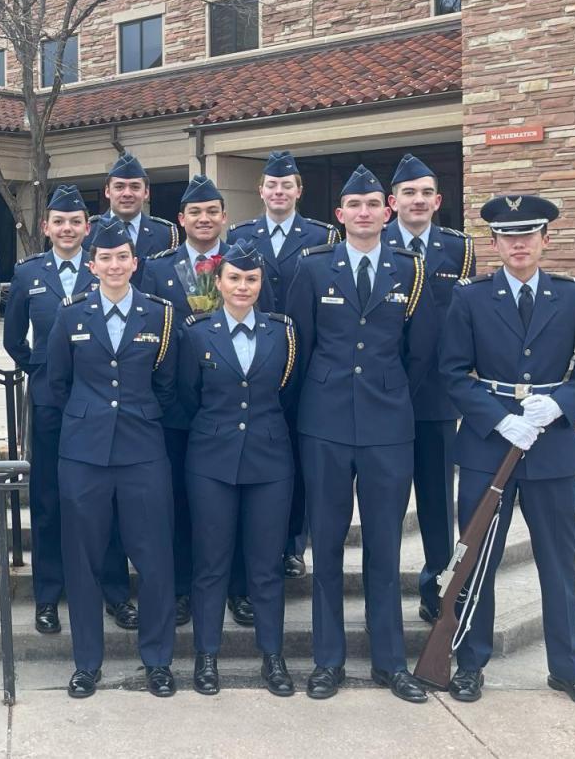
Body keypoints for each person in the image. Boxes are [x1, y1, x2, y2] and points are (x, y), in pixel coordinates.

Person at [440, 194, 575, 710]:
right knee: (478, 560)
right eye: (507, 236)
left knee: (558, 563)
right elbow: (451, 372)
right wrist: (501, 418)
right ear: (493, 242)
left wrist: (558, 407)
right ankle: (470, 663)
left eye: (528, 234)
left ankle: (568, 670)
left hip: (552, 448)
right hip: (488, 448)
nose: (518, 243)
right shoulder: (470, 297)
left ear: (545, 239)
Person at [286, 164, 436, 704]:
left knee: (383, 547)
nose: (366, 212)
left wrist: (388, 391)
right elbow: (297, 348)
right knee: (326, 546)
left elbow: (419, 353)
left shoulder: (409, 269)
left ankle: (390, 663)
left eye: (375, 204)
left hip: (387, 425)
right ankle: (329, 661)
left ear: (387, 210)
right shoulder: (312, 267)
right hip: (323, 424)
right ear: (340, 215)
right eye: (356, 205)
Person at [46, 217, 180, 699]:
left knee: (154, 558)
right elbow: (57, 382)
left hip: (143, 451)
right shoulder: (70, 315)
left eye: (123, 256)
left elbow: (169, 382)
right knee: (82, 562)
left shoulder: (159, 315)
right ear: (92, 263)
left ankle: (158, 661)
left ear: (134, 262)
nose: (115, 265)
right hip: (83, 454)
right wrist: (90, 418)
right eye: (105, 258)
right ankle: (87, 664)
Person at [3, 185, 137, 636]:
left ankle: (115, 590)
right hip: (49, 406)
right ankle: (48, 595)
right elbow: (12, 339)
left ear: (87, 227)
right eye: (58, 222)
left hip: (100, 403)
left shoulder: (105, 267)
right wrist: (40, 369)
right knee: (47, 501)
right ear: (46, 227)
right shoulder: (28, 274)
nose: (66, 229)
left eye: (75, 222)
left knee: (110, 500)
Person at [177, 238, 298, 697]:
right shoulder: (195, 332)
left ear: (261, 283)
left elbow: (288, 393)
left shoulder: (282, 332)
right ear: (219, 282)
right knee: (211, 564)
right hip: (211, 460)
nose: (242, 286)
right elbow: (188, 397)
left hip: (270, 461)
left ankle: (273, 656)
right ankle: (206, 657)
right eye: (234, 278)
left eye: (251, 279)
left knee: (266, 565)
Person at [228, 149, 338, 580]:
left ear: (298, 190)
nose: (279, 191)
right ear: (261, 190)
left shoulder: (323, 235)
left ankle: (293, 545)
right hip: (254, 362)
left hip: (307, 363)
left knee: (298, 460)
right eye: (272, 185)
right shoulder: (240, 234)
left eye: (286, 185)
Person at [382, 153, 475, 624]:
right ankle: (378, 589)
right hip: (383, 397)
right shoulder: (371, 245)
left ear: (438, 201)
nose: (416, 201)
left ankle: (436, 585)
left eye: (425, 193)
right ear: (390, 202)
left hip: (436, 398)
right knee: (385, 503)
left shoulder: (458, 250)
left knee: (437, 502)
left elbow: (463, 324)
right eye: (407, 193)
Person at [141, 174, 229, 627]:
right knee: (176, 501)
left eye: (212, 211)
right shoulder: (158, 267)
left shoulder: (238, 263)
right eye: (195, 212)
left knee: (228, 505)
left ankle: (236, 587)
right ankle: (179, 590)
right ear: (180, 220)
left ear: (224, 217)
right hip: (174, 406)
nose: (204, 218)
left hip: (229, 408)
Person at [86, 152, 180, 285]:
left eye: (135, 187)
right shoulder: (87, 231)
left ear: (146, 192)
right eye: (119, 187)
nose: (127, 193)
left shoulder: (165, 233)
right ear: (107, 191)